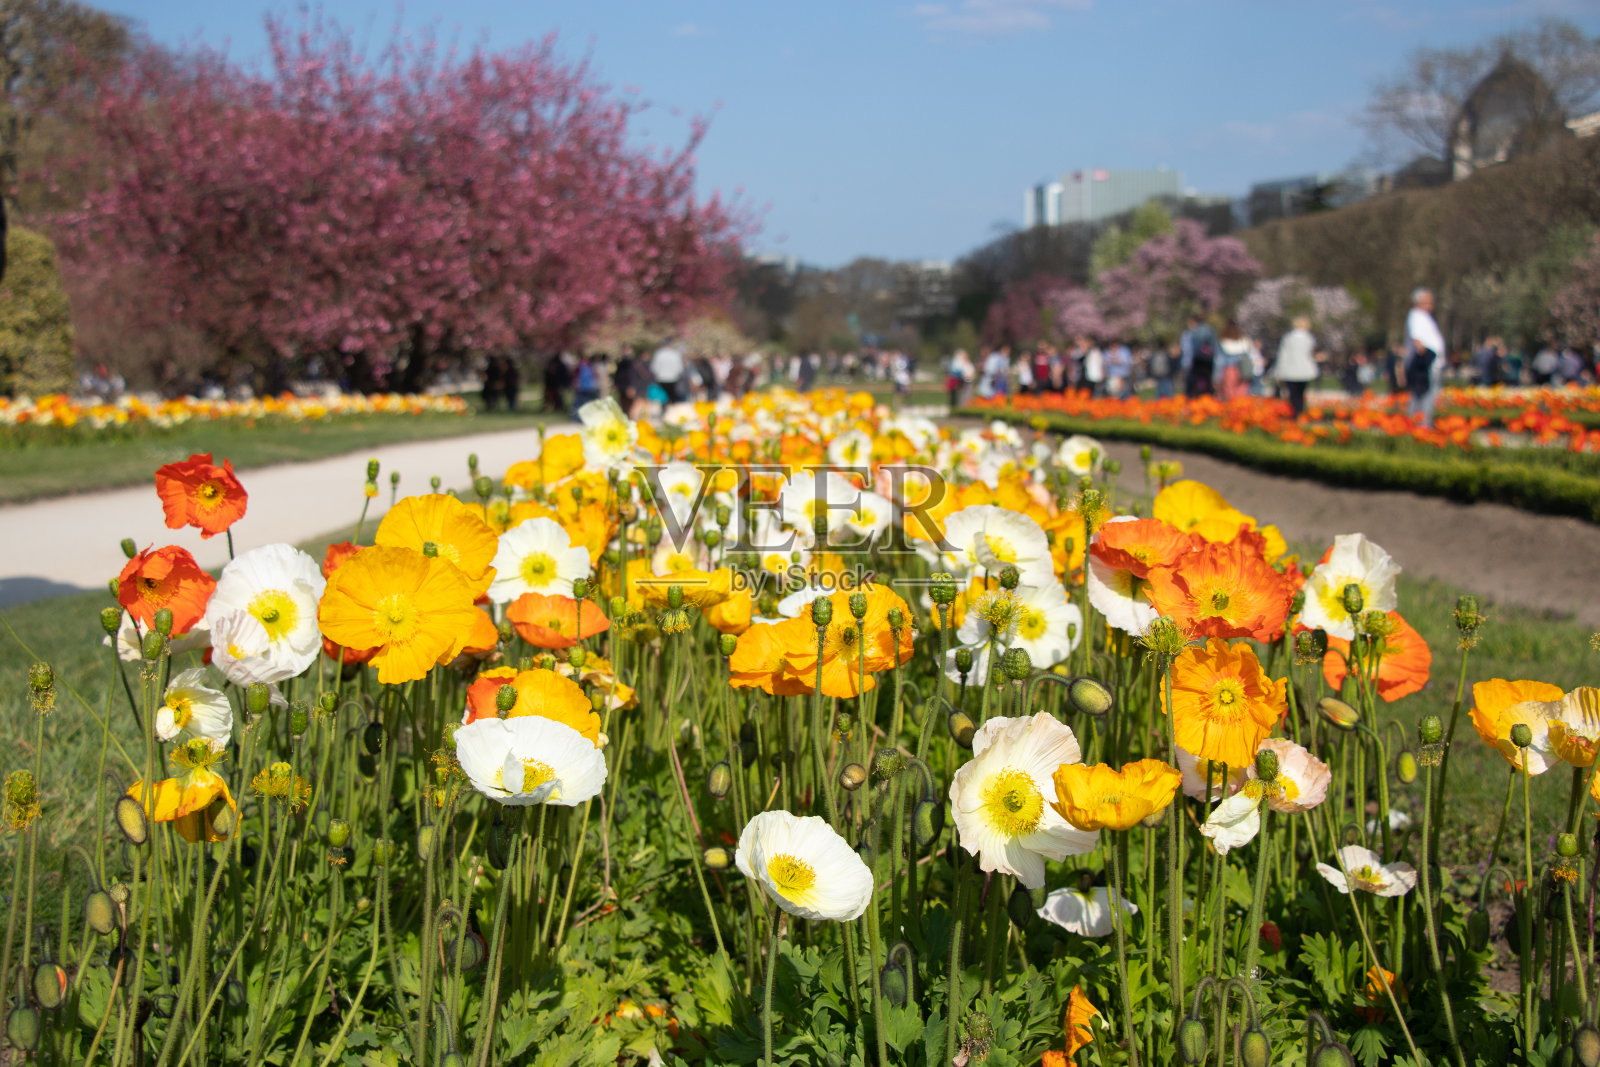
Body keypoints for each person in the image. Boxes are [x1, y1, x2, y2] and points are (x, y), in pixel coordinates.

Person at [1403, 286, 1447, 427]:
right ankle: (1421, 425)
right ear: (1419, 302)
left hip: (1432, 364)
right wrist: (1428, 358)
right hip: (1426, 365)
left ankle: (1421, 423)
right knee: (1423, 396)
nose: (1431, 305)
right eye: (1428, 302)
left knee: (1427, 395)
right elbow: (1418, 342)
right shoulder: (1416, 316)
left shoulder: (1423, 317)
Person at [1273, 315, 1318, 418]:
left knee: (1293, 393)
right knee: (1300, 393)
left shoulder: (1288, 338)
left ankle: (1294, 413)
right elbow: (1310, 354)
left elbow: (1283, 355)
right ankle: (1299, 411)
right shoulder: (1309, 338)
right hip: (1305, 369)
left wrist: (1279, 370)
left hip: (1290, 369)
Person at [1181, 315, 1217, 396]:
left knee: (1197, 380)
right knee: (1207, 380)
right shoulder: (1210, 330)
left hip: (1197, 360)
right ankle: (1206, 395)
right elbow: (1214, 346)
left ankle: (1198, 395)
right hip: (1208, 360)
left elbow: (1191, 349)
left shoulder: (1193, 332)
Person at [1217, 322, 1251, 400]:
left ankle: (1232, 408)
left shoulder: (1223, 342)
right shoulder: (1244, 341)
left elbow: (1219, 360)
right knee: (1242, 392)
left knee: (1230, 392)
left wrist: (1217, 376)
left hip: (1230, 368)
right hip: (1243, 369)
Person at [650, 339, 688, 403]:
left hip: (661, 378)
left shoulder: (658, 353)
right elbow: (680, 368)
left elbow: (654, 367)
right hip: (673, 379)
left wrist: (658, 374)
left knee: (663, 398)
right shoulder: (675, 354)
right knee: (672, 397)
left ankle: (664, 409)